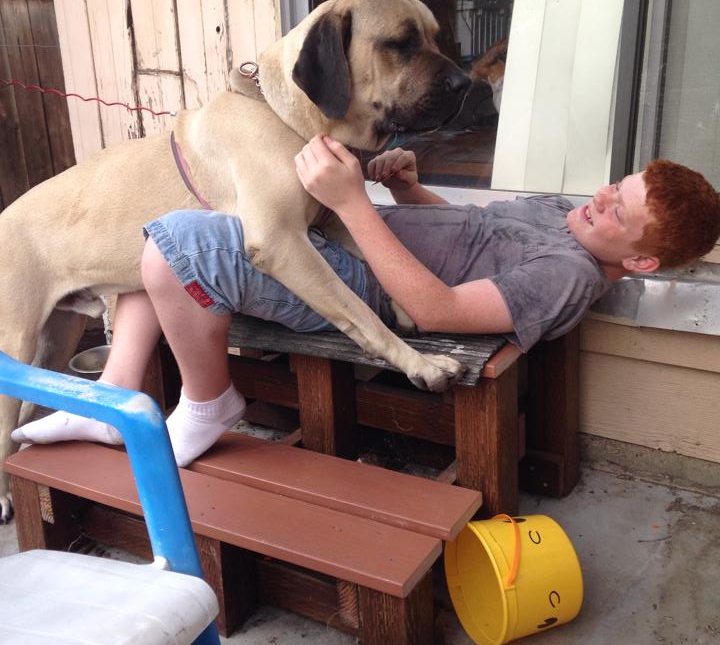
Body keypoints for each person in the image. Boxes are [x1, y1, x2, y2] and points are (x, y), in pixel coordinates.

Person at [13, 137, 720, 466]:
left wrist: (353, 202)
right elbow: (473, 236)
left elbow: (439, 311)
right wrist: (408, 191)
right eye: (617, 184)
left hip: (368, 290)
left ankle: (207, 402)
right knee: (170, 223)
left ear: (641, 261)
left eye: (619, 210)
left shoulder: (567, 275)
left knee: (181, 246)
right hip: (352, 243)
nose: (601, 197)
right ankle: (114, 399)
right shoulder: (567, 220)